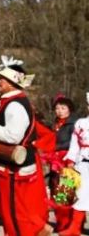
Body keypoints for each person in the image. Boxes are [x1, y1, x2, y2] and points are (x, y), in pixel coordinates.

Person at [0, 56, 49, 236]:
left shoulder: (15, 105)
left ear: (12, 82)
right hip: (12, 168)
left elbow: (13, 136)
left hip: (14, 170)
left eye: (2, 79)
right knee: (12, 212)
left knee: (15, 213)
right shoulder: (13, 102)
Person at [62, 93, 89, 236]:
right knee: (80, 194)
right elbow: (74, 145)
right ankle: (75, 228)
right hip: (83, 164)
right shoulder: (81, 123)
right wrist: (71, 160)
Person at [53, 94, 77, 233]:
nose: (59, 111)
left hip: (67, 160)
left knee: (66, 192)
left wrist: (55, 146)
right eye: (57, 108)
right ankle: (60, 221)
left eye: (63, 108)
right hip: (55, 161)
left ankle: (69, 223)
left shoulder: (73, 123)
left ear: (69, 109)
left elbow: (72, 142)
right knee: (56, 191)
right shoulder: (56, 123)